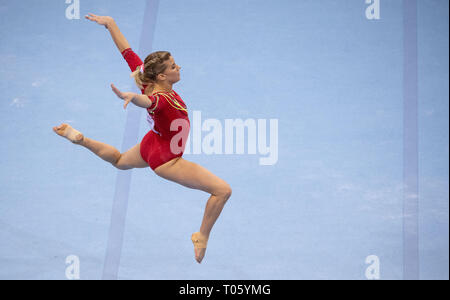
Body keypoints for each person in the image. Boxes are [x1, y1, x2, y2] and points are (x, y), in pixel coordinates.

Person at [53, 13, 232, 264]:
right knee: (222, 191)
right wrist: (131, 97)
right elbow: (148, 102)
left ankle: (81, 140)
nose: (177, 67)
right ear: (161, 76)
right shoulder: (158, 98)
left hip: (152, 144)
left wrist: (111, 24)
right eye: (172, 67)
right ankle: (201, 237)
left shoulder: (146, 80)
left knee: (118, 160)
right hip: (167, 159)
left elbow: (126, 51)